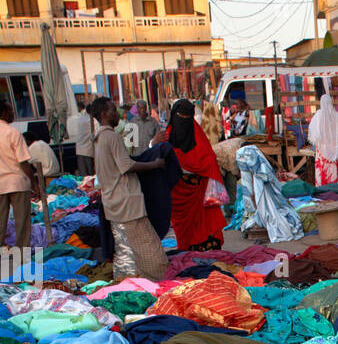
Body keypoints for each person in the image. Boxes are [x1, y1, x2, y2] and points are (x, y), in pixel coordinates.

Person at [88, 96, 168, 282]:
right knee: (151, 251)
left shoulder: (99, 138)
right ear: (103, 114)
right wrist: (154, 164)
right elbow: (127, 166)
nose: (117, 114)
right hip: (127, 202)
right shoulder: (112, 137)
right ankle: (151, 284)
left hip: (112, 201)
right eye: (112, 110)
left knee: (124, 250)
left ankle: (126, 284)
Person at [162, 98, 227, 251]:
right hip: (178, 192)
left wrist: (202, 169)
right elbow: (161, 158)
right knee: (183, 228)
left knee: (205, 222)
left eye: (187, 118)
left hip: (199, 189)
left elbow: (209, 158)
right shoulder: (166, 137)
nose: (183, 121)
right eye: (181, 117)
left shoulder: (197, 134)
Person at [0, 100, 38, 247]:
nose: (13, 114)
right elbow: (23, 162)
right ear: (3, 113)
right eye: (10, 111)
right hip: (17, 183)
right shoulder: (13, 133)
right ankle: (22, 257)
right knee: (22, 223)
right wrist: (34, 184)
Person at [308, 91, 338, 187]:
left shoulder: (318, 115)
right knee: (334, 170)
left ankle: (323, 189)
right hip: (335, 148)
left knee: (323, 170)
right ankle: (336, 188)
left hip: (322, 148)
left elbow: (314, 134)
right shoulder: (336, 115)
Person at [67, 98, 95, 175]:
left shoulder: (80, 118)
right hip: (88, 151)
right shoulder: (91, 120)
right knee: (90, 174)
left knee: (84, 175)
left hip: (79, 149)